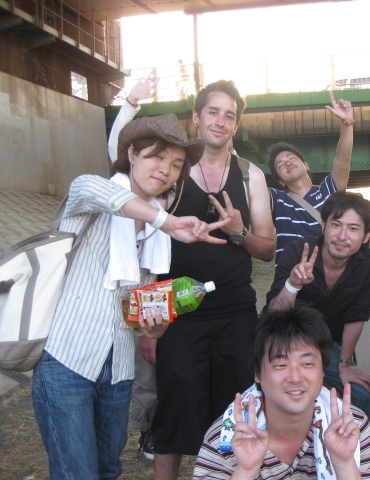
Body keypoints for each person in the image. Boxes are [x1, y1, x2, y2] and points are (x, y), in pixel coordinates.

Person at [31, 114, 230, 479]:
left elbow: (139, 316)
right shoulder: (91, 193)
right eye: (157, 156)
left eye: (176, 164)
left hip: (119, 368)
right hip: (65, 360)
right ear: (133, 154)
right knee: (77, 473)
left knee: (108, 468)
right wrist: (166, 221)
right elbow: (106, 196)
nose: (166, 169)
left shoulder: (155, 235)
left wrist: (154, 328)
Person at [151, 80, 276, 480]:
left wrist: (240, 233)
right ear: (196, 117)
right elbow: (148, 246)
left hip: (236, 312)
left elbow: (268, 249)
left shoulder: (250, 176)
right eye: (213, 112)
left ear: (236, 124)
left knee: (238, 415)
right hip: (178, 313)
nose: (220, 121)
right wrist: (150, 326)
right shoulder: (172, 171)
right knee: (172, 415)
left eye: (229, 115)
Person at [192, 305, 370, 479]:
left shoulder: (351, 428)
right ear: (257, 373)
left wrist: (344, 464)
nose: (295, 378)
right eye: (280, 365)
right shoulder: (227, 438)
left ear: (323, 370)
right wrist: (245, 471)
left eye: (307, 364)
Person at [266, 191, 370, 442]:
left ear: (366, 237)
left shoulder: (369, 263)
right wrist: (293, 284)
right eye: (336, 225)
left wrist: (345, 365)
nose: (342, 236)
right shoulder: (298, 251)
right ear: (323, 226)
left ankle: (363, 459)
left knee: (363, 397)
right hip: (284, 341)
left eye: (353, 228)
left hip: (328, 348)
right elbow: (273, 315)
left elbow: (356, 316)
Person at [108, 76, 160, 460]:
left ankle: (151, 430)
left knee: (148, 370)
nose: (161, 168)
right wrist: (130, 103)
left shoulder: (165, 199)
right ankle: (142, 432)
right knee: (120, 375)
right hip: (111, 298)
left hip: (148, 292)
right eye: (153, 157)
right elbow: (116, 147)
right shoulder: (115, 189)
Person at [267, 91, 354, 265]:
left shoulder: (328, 191)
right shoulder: (277, 199)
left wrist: (347, 123)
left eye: (291, 158)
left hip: (326, 275)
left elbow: (342, 160)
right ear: (280, 181)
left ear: (306, 165)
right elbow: (246, 181)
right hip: (289, 277)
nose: (287, 163)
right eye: (280, 164)